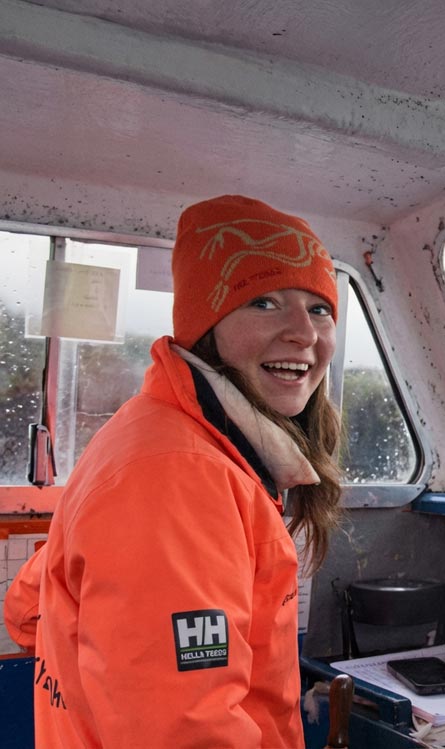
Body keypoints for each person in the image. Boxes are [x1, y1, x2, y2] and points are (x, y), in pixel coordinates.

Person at [4, 195, 343, 748]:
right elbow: (186, 734)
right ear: (205, 327)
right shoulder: (181, 476)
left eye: (319, 308)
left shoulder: (166, 432)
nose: (304, 333)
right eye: (264, 302)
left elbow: (28, 608)